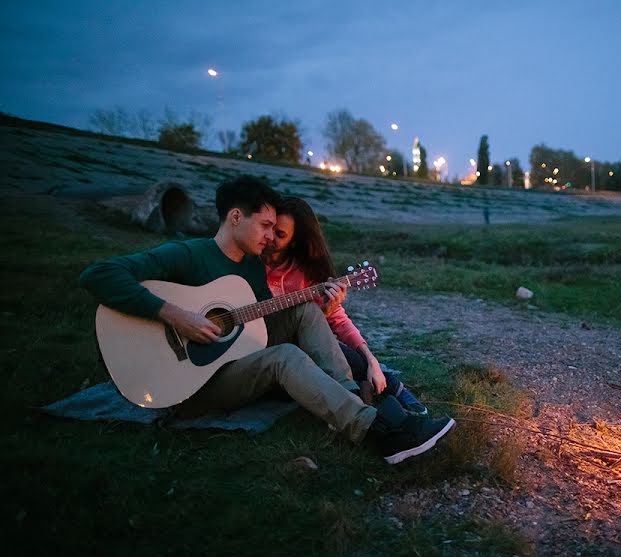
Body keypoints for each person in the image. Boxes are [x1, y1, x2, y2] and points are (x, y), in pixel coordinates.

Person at [79, 175, 454, 464]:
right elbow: (98, 274)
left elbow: (261, 327)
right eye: (264, 226)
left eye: (275, 230)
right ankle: (381, 432)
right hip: (186, 387)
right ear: (235, 217)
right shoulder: (189, 254)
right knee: (284, 358)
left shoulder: (253, 271)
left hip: (232, 362)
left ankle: (355, 402)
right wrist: (176, 316)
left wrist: (322, 306)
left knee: (303, 308)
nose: (270, 238)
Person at [262, 195, 429, 415]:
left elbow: (337, 321)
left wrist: (371, 359)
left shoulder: (304, 272)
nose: (269, 237)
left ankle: (385, 385)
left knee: (337, 351)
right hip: (260, 346)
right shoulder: (251, 259)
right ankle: (368, 392)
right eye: (270, 228)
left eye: (280, 234)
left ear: (294, 240)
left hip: (298, 347)